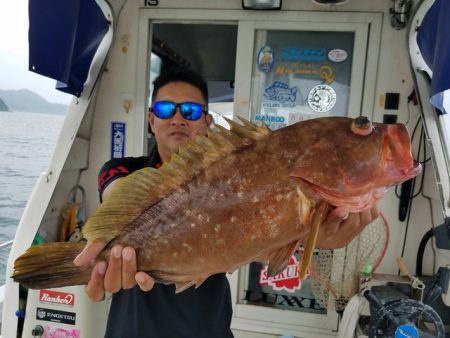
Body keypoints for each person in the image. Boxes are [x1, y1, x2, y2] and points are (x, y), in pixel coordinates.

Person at [74, 66, 379, 338]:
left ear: (206, 122)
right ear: (151, 119)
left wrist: (308, 234)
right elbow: (117, 195)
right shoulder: (123, 169)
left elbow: (254, 241)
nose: (178, 118)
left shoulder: (232, 181)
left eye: (191, 111)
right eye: (166, 109)